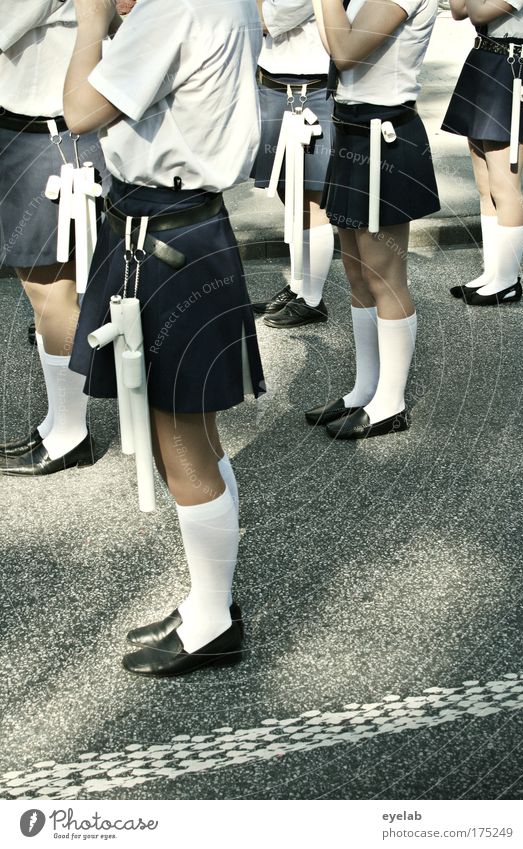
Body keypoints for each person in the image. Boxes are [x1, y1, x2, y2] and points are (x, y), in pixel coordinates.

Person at [64, 0, 265, 677]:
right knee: (196, 434)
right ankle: (211, 602)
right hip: (188, 228)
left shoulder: (174, 6)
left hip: (165, 235)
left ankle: (212, 621)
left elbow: (80, 112)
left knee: (177, 438)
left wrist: (92, 20)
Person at [304, 0, 440, 440]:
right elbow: (334, 48)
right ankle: (366, 388)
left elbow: (344, 52)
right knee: (356, 272)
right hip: (353, 127)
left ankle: (391, 403)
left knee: (384, 276)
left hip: (384, 135)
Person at [0, 0, 109, 475]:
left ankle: (70, 433)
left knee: (51, 291)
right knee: (43, 287)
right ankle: (57, 423)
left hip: (48, 135)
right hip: (33, 131)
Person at [443, 0, 523, 305]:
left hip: (509, 67)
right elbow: (458, 12)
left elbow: (479, 13)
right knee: (485, 186)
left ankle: (507, 281)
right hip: (483, 60)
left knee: (505, 186)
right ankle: (492, 273)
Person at [252, 0, 334, 327]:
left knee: (313, 200)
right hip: (275, 83)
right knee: (290, 194)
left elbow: (265, 20)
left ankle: (313, 300)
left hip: (311, 88)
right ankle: (300, 285)